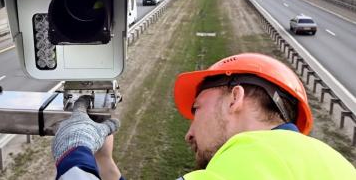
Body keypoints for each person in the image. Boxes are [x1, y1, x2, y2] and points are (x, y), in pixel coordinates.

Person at [52, 53, 356, 180]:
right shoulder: (331, 163)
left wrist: (73, 152)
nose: (188, 134)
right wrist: (105, 162)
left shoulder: (250, 161)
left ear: (235, 97)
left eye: (196, 109)